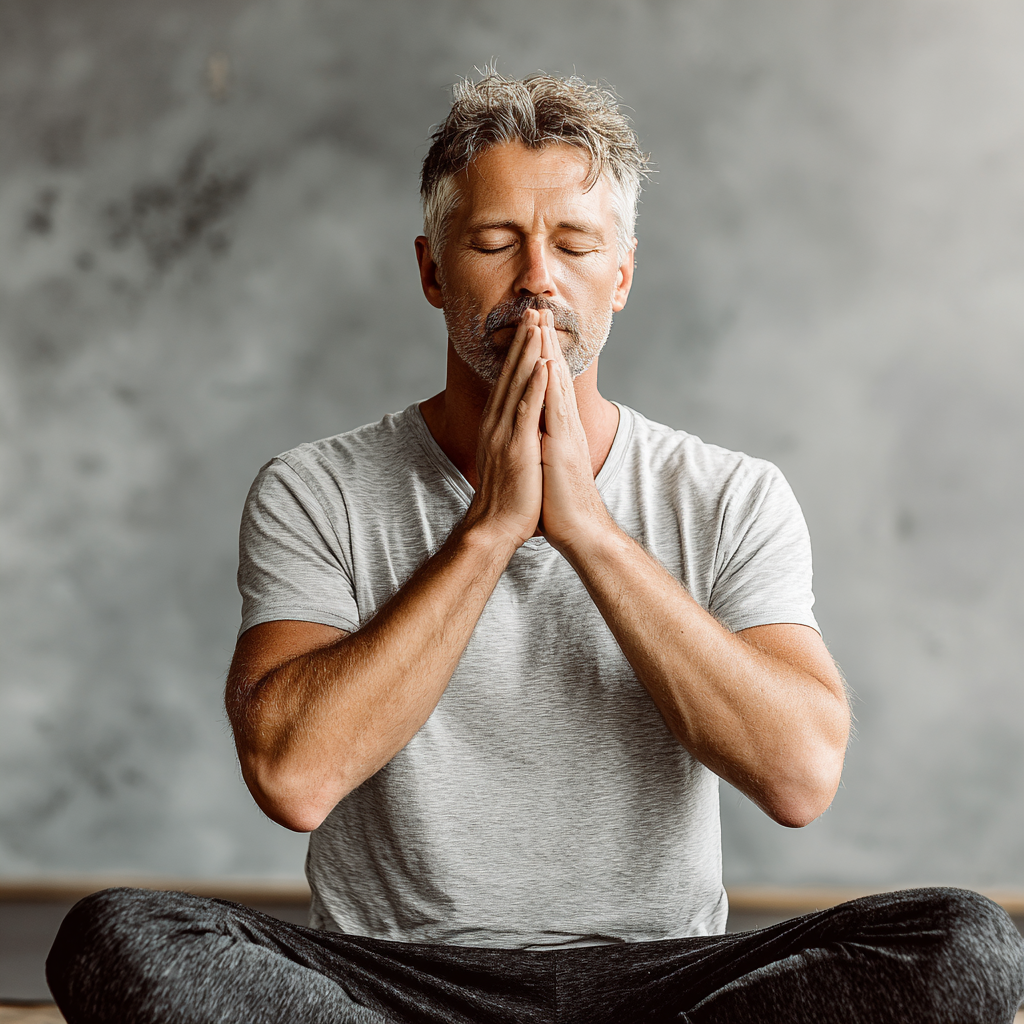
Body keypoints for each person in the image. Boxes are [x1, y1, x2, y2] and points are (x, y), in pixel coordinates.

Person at [48, 71, 1023, 1024]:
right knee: (118, 939)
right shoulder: (317, 490)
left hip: (662, 981)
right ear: (433, 269)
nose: (537, 280)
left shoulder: (731, 495)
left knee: (964, 944)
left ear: (622, 274)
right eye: (494, 242)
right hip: (396, 984)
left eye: (573, 244)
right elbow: (293, 780)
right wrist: (489, 532)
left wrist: (588, 532)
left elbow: (801, 777)